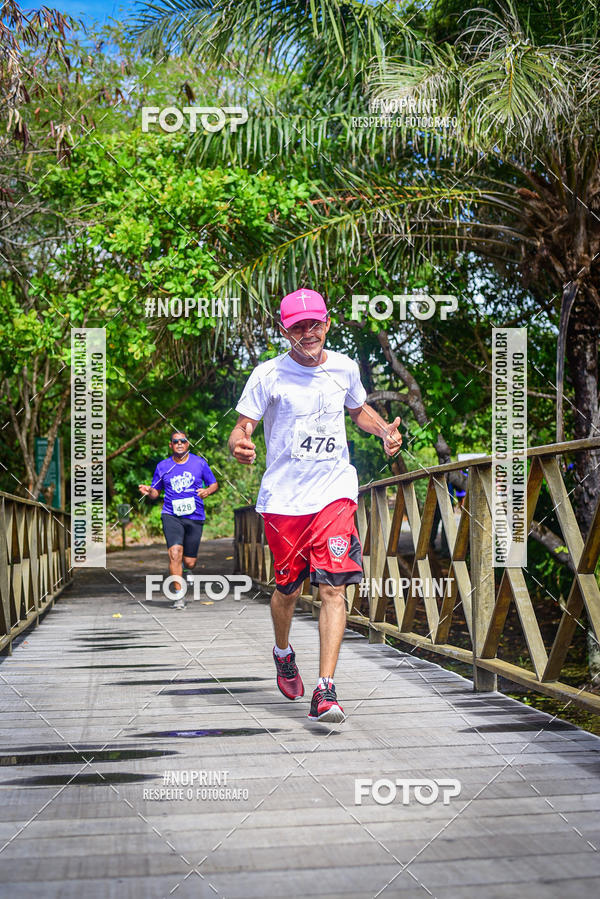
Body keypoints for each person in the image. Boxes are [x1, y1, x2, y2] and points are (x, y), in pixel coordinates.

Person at [228, 288, 402, 723]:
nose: (308, 332)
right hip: (285, 499)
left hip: (334, 492)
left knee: (332, 587)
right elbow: (241, 427)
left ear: (328, 323)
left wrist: (383, 431)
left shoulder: (344, 367)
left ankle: (325, 689)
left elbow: (358, 409)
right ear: (284, 330)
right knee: (288, 588)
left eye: (315, 324)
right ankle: (283, 651)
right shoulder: (268, 375)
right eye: (298, 326)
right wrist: (239, 443)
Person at [139, 431, 219, 609]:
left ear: (188, 443)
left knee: (190, 561)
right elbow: (155, 492)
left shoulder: (199, 463)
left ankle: (187, 568)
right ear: (171, 445)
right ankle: (178, 595)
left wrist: (207, 491)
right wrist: (148, 491)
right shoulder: (162, 466)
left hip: (195, 515)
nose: (180, 444)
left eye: (183, 441)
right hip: (171, 515)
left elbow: (214, 483)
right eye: (176, 441)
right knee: (175, 553)